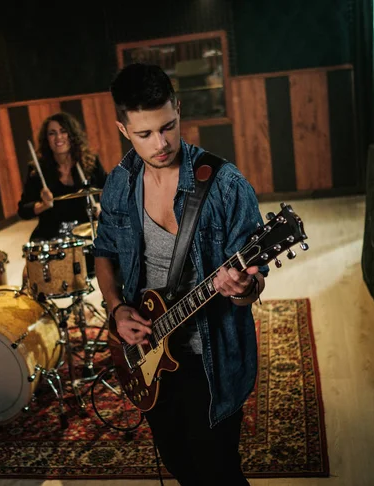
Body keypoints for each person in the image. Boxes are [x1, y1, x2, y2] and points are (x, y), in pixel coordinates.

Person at [93, 63, 268, 485]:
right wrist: (117, 310)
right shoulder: (119, 183)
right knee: (179, 464)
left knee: (219, 471)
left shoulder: (226, 185)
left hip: (210, 355)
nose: (161, 143)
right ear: (123, 129)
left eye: (168, 127)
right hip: (149, 354)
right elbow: (103, 254)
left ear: (179, 109)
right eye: (145, 134)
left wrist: (242, 286)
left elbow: (254, 279)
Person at [17, 111, 108, 243]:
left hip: (87, 231)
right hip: (52, 235)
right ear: (46, 139)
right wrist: (42, 205)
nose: (58, 137)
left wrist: (102, 206)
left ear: (72, 135)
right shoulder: (37, 170)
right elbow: (23, 211)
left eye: (63, 131)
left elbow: (112, 191)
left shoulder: (90, 163)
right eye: (52, 133)